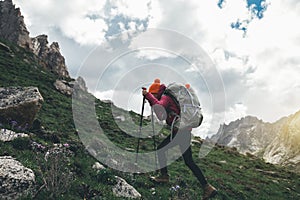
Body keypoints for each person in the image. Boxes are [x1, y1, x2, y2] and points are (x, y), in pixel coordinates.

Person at [142, 79, 217, 200]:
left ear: (156, 92)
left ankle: (164, 176)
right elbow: (162, 115)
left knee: (160, 149)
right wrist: (151, 99)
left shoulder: (166, 96)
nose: (155, 97)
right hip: (185, 132)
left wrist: (148, 96)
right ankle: (207, 187)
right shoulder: (170, 96)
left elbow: (160, 109)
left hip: (179, 132)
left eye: (154, 94)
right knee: (188, 161)